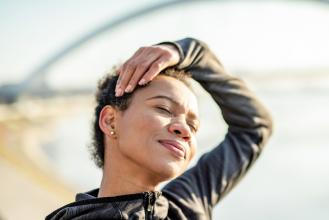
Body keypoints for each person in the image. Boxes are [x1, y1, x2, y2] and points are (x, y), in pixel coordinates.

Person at [46, 37, 273, 220]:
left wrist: (188, 53)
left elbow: (254, 127)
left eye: (193, 126)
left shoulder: (187, 204)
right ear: (110, 121)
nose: (184, 129)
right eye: (164, 109)